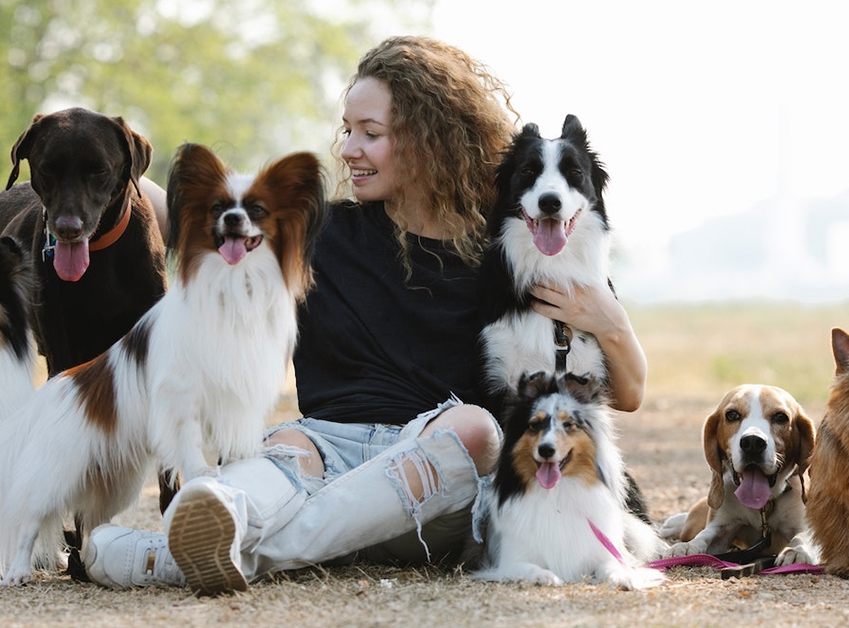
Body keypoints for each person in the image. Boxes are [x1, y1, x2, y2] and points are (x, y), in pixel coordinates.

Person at [81, 35, 648, 595]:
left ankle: (175, 559)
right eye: (347, 130)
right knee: (285, 449)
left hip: (431, 483)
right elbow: (190, 212)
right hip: (325, 449)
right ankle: (219, 521)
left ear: (431, 141)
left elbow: (625, 394)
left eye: (370, 134)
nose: (349, 148)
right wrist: (92, 174)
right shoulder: (320, 233)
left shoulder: (509, 255)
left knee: (475, 428)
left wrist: (611, 320)